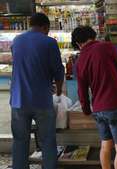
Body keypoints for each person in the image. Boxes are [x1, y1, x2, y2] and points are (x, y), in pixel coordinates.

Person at [71, 26, 117, 169]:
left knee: (105, 146)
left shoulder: (80, 61)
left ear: (78, 43)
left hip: (98, 109)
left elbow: (82, 90)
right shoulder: (107, 47)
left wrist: (87, 110)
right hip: (115, 105)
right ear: (92, 36)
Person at [10, 13, 65, 169]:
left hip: (18, 100)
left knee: (20, 140)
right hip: (41, 100)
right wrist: (59, 91)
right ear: (45, 27)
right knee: (47, 140)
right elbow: (58, 71)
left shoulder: (17, 41)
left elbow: (24, 66)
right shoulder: (49, 42)